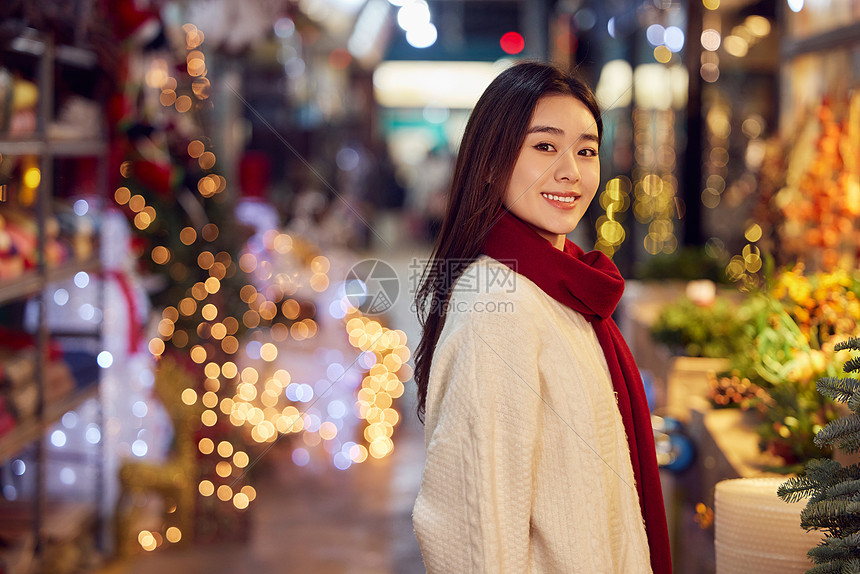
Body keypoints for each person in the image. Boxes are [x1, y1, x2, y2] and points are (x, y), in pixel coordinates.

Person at [411, 61, 672, 573]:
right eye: (545, 146)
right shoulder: (499, 308)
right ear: (491, 162)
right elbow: (477, 535)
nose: (571, 171)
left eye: (586, 150)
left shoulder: (560, 287)